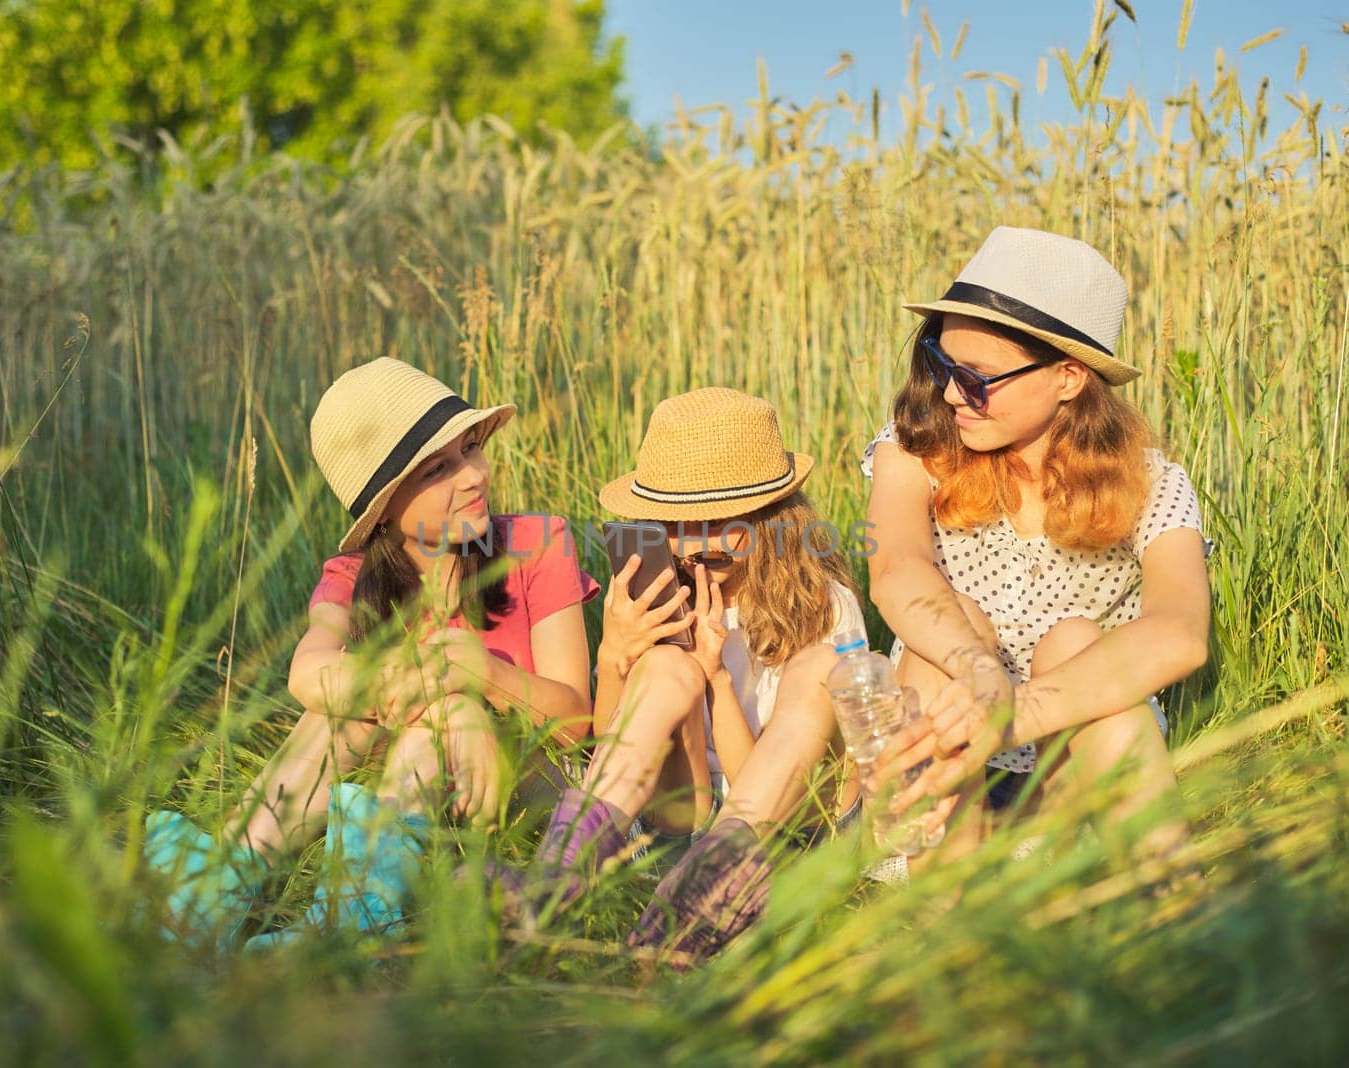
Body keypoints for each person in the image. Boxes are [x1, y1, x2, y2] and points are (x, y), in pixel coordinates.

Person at [144, 358, 599, 949]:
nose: (474, 475)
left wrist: (478, 673)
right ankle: (226, 892)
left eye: (470, 448)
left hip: (531, 782)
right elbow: (308, 673)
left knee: (384, 707)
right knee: (338, 713)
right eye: (439, 468)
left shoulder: (537, 545)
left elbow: (575, 723)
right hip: (415, 786)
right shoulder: (353, 577)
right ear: (384, 509)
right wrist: (445, 700)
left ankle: (341, 922)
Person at [859, 226, 1211, 875]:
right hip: (937, 750)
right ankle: (946, 907)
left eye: (977, 377)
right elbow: (896, 568)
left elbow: (1180, 633)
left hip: (1071, 773)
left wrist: (1007, 715)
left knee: (1077, 642)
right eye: (942, 364)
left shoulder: (1154, 482)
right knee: (951, 618)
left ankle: (1179, 911)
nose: (949, 393)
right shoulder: (913, 448)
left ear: (1069, 378)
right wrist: (978, 666)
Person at [512, 387, 867, 960]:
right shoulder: (654, 598)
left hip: (784, 829)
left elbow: (778, 779)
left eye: (717, 521)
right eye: (676, 523)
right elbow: (613, 745)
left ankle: (707, 890)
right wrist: (615, 654)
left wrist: (718, 681)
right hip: (679, 821)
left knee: (824, 668)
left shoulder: (824, 607)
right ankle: (559, 876)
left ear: (771, 519)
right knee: (665, 665)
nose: (695, 545)